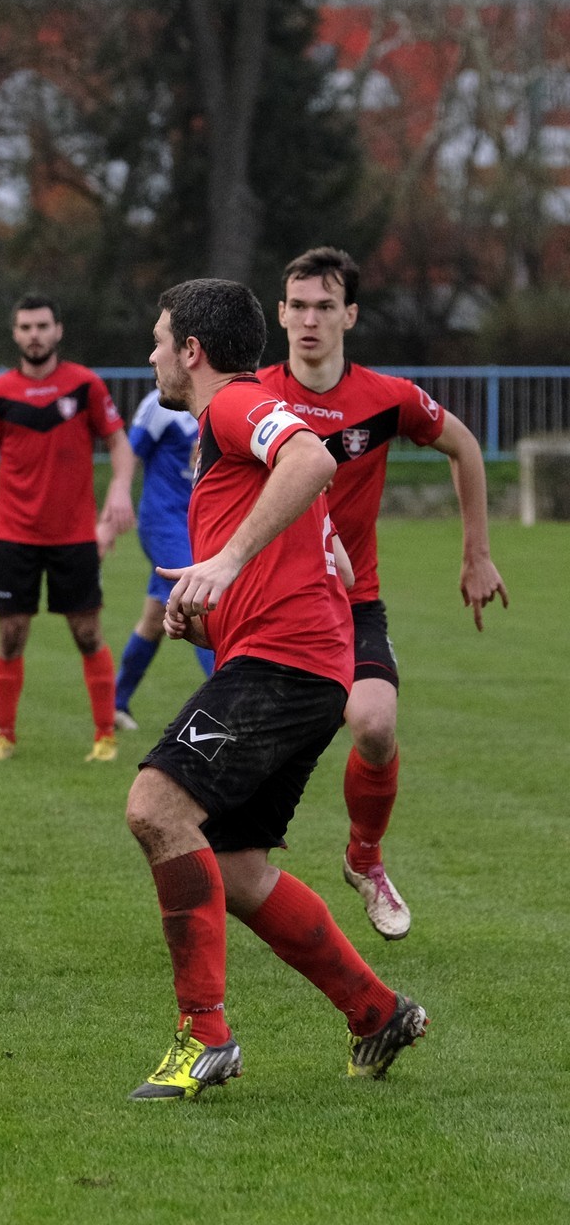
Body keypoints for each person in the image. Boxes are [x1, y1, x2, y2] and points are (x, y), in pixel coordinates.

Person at [124, 277, 426, 1103]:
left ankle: (205, 1039)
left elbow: (313, 459)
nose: (151, 356)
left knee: (156, 808)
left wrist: (225, 563)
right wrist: (210, 616)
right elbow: (319, 564)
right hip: (297, 663)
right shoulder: (232, 433)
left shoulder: (235, 404)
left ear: (192, 351)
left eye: (159, 341)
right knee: (235, 865)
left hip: (285, 666)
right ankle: (378, 1012)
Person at [258, 247, 509, 940]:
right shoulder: (253, 397)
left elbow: (465, 447)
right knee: (256, 759)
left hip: (352, 600)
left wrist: (477, 554)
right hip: (271, 603)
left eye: (325, 306)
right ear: (281, 313)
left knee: (373, 724)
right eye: (298, 306)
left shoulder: (388, 398)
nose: (310, 320)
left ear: (350, 315)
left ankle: (364, 860)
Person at [0, 295, 136, 762]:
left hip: (75, 535)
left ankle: (105, 736)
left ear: (58, 330)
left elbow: (120, 445)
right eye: (25, 327)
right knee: (11, 635)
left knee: (87, 633)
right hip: (13, 534)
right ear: (15, 334)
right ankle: (4, 736)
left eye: (42, 326)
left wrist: (119, 491)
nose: (34, 335)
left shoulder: (85, 385)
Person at [112, 388, 215, 731]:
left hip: (202, 523)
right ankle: (229, 705)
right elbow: (129, 454)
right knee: (201, 600)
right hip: (164, 522)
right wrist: (117, 501)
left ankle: (115, 704)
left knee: (155, 618)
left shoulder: (225, 399)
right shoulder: (161, 404)